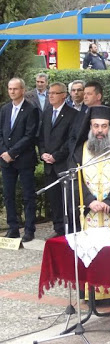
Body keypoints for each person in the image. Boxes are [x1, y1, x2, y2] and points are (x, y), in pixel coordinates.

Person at [70, 105, 110, 229]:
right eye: (96, 126)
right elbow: (73, 180)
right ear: (90, 127)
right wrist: (89, 201)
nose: (100, 130)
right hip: (87, 212)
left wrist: (109, 202)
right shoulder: (80, 151)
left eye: (104, 126)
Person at [0, 78, 39, 242]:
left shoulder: (31, 110)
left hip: (24, 159)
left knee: (28, 195)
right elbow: (0, 132)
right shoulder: (5, 109)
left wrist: (13, 152)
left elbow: (30, 136)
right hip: (6, 160)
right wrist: (4, 152)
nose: (12, 92)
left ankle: (29, 229)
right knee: (9, 195)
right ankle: (13, 228)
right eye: (10, 89)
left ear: (22, 90)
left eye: (15, 89)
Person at [38, 82, 78, 237]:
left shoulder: (72, 114)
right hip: (49, 164)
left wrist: (56, 155)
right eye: (49, 93)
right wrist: (43, 153)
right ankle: (58, 228)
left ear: (64, 95)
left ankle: (71, 229)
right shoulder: (47, 112)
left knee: (67, 199)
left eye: (54, 93)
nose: (51, 96)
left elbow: (71, 140)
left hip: (63, 164)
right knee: (53, 199)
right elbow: (41, 137)